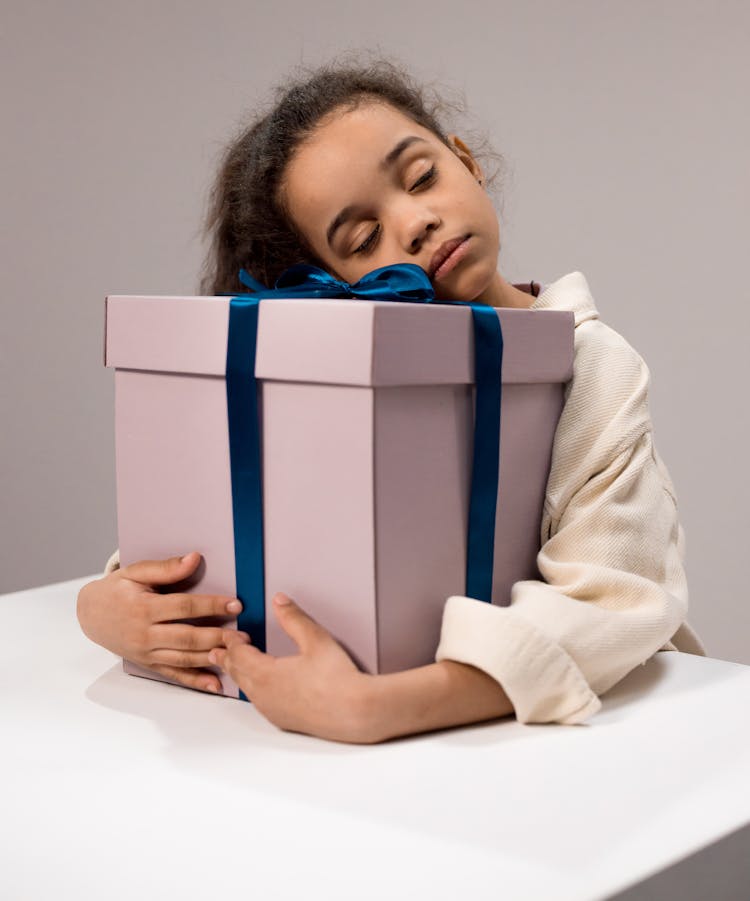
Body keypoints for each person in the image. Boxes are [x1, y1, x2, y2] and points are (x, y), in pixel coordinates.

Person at [77, 56, 705, 743]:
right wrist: (100, 607)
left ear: (467, 161)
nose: (416, 222)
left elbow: (610, 603)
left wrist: (372, 707)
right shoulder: (342, 397)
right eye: (363, 237)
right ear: (324, 282)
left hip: (609, 739)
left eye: (422, 177)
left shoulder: (594, 364)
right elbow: (218, 536)